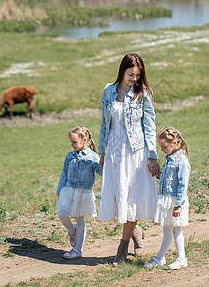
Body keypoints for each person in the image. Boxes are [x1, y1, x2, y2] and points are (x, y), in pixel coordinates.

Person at [98, 53, 160, 264]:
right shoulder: (108, 91)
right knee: (119, 198)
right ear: (122, 71)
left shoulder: (143, 94)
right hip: (114, 152)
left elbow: (149, 127)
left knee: (130, 199)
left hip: (135, 153)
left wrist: (152, 156)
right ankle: (135, 232)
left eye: (137, 75)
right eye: (130, 74)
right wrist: (102, 152)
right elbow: (104, 125)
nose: (134, 78)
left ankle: (122, 249)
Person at [144, 127, 190, 270]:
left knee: (173, 230)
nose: (162, 150)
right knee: (172, 230)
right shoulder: (169, 159)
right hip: (167, 199)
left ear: (175, 143)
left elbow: (183, 184)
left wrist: (178, 205)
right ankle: (175, 258)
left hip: (174, 201)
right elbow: (168, 178)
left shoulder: (182, 161)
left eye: (164, 147)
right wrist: (158, 175)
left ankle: (162, 258)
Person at [56, 125, 102, 260]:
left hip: (83, 192)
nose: (72, 145)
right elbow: (63, 173)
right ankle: (73, 231)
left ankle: (78, 249)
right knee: (62, 214)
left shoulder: (93, 157)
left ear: (85, 139)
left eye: (74, 142)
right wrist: (60, 190)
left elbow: (101, 172)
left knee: (80, 220)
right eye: (71, 142)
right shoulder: (69, 156)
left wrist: (107, 163)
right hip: (68, 190)